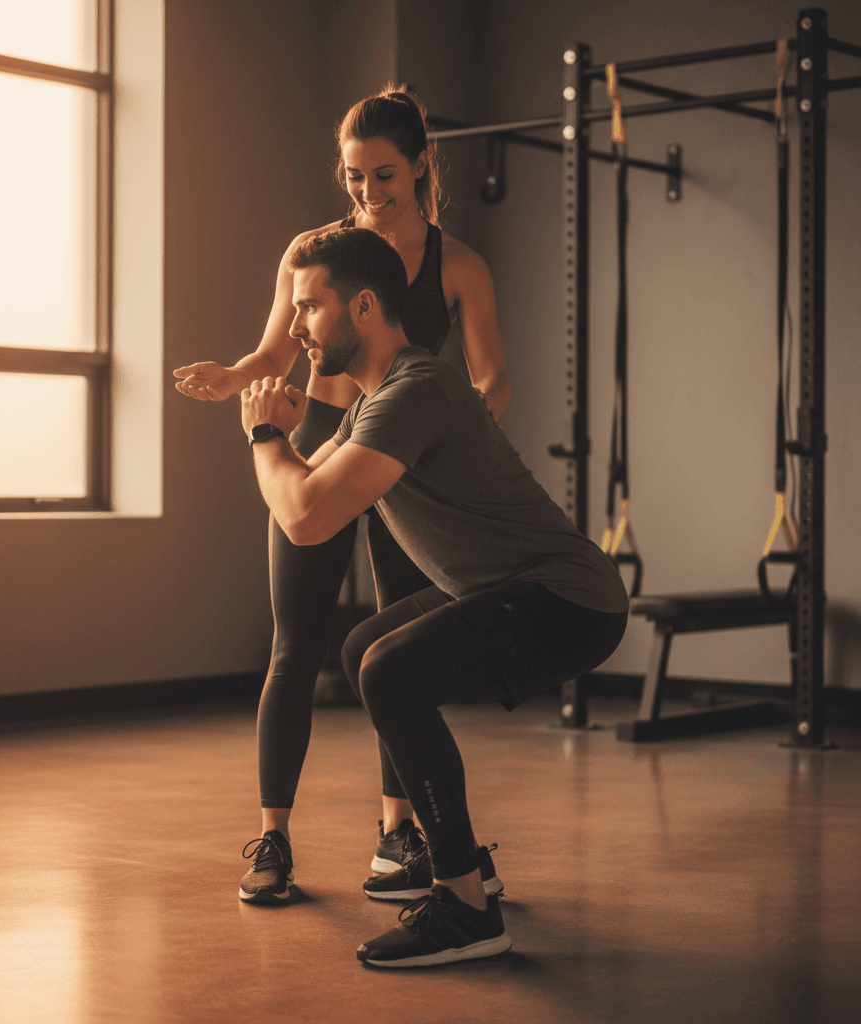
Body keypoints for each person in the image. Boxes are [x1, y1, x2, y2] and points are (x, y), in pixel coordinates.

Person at [240, 226, 629, 967]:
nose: (294, 329)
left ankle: (464, 906)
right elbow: (296, 504)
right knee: (365, 649)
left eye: (308, 309)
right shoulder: (370, 404)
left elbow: (305, 513)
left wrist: (265, 432)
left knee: (391, 671)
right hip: (515, 591)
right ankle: (464, 864)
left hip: (567, 603)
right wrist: (277, 446)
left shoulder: (416, 391)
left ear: (361, 308)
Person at [173, 87, 511, 904]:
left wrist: (447, 428)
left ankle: (397, 835)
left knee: (397, 657)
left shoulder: (456, 266)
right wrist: (233, 379)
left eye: (385, 174)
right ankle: (274, 840)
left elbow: (492, 378)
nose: (367, 193)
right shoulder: (314, 252)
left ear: (423, 164)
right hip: (325, 451)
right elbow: (274, 357)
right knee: (296, 648)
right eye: (354, 176)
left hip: (399, 472)